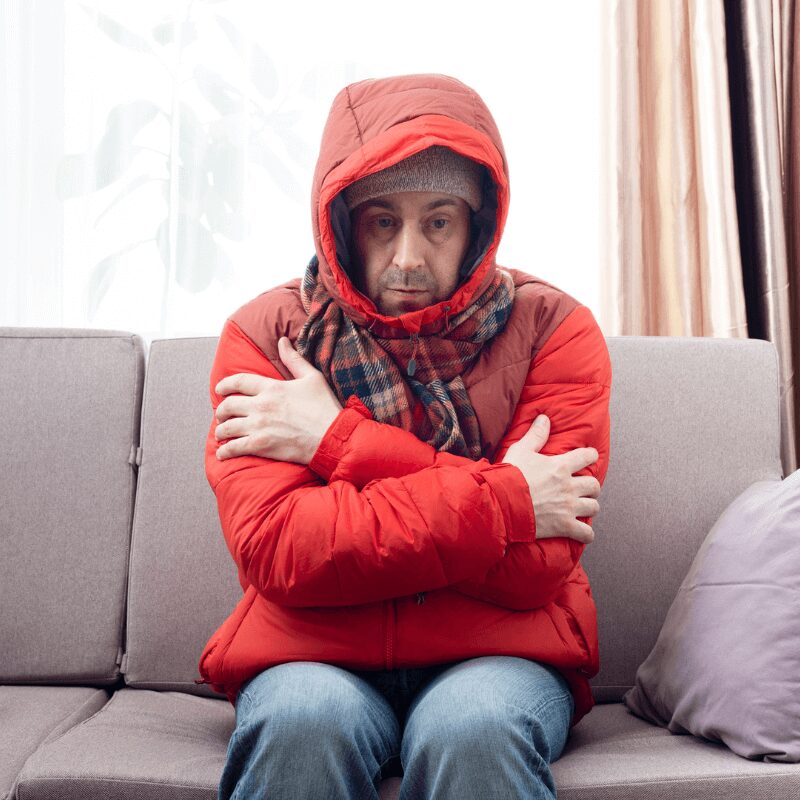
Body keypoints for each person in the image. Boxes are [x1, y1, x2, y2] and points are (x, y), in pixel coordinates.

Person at [196, 72, 611, 800]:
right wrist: (507, 502)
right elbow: (283, 551)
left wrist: (335, 443)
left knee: (474, 731)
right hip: (311, 656)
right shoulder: (266, 339)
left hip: (499, 657)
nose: (410, 258)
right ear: (342, 223)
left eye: (439, 222)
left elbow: (538, 566)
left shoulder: (556, 332)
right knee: (300, 725)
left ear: (478, 225)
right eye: (384, 221)